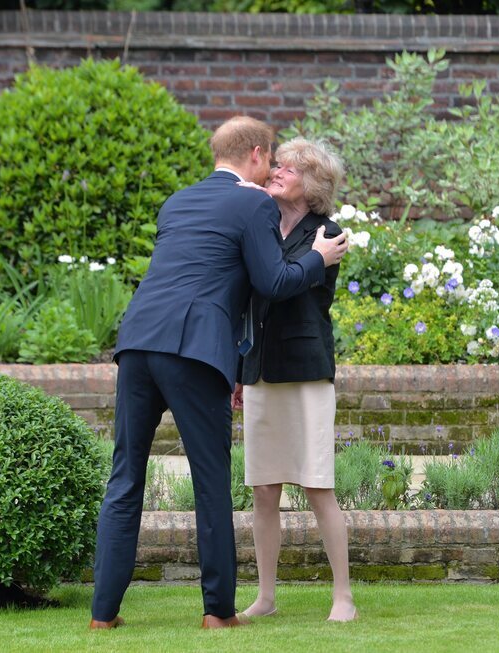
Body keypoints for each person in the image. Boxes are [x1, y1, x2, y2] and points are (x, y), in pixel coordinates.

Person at [90, 117, 348, 630]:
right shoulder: (252, 203)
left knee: (124, 480)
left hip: (137, 342)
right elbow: (273, 281)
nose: (272, 168)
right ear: (255, 153)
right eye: (270, 158)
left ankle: (103, 615)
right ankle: (218, 614)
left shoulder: (177, 200)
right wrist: (317, 259)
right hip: (193, 350)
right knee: (211, 482)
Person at [232, 137, 357, 622]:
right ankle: (265, 597)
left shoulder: (329, 233)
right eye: (277, 165)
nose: (277, 171)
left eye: (290, 167)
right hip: (261, 370)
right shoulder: (261, 225)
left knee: (317, 484)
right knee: (264, 489)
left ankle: (343, 596)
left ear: (314, 184)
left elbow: (281, 284)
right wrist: (243, 371)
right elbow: (252, 302)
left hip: (305, 373)